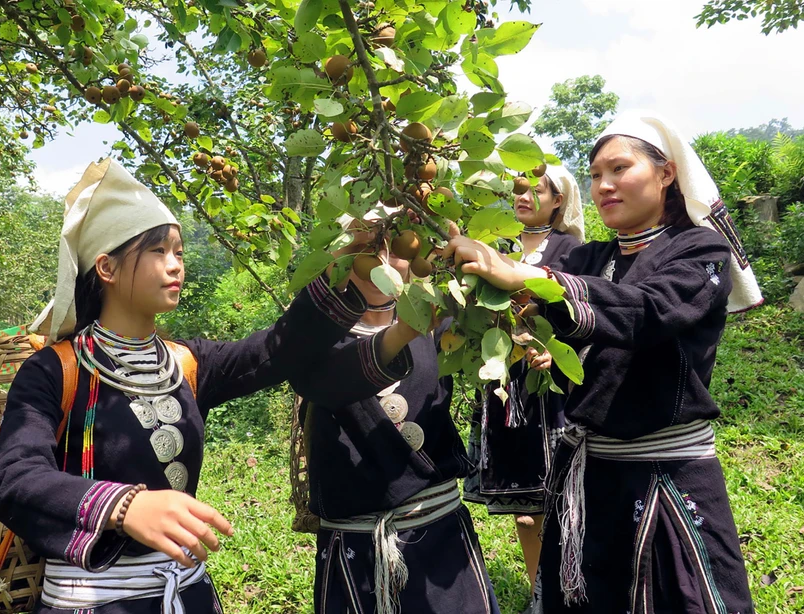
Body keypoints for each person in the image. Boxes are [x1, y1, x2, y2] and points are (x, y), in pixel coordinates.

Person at [0, 158, 375, 613]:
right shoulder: (54, 370)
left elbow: (276, 349)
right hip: (91, 603)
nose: (176, 266)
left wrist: (347, 268)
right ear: (107, 268)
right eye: (158, 252)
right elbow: (16, 479)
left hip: (189, 595)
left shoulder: (187, 362)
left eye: (180, 252)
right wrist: (124, 506)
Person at [443, 110, 760, 613]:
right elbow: (542, 293)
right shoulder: (589, 258)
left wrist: (524, 277)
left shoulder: (700, 250)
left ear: (666, 173)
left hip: (669, 473)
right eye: (594, 175)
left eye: (619, 169)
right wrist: (468, 255)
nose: (604, 185)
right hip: (592, 473)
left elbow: (648, 311)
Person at [290, 207, 501, 614]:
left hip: (442, 543)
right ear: (334, 256)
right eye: (364, 246)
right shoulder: (310, 338)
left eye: (397, 245)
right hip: (357, 555)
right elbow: (328, 382)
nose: (383, 262)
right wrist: (406, 329)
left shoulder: (446, 328)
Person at [463, 165, 584, 600]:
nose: (525, 196)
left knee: (563, 502)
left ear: (558, 200)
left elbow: (579, 316)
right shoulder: (497, 247)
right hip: (505, 387)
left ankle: (574, 586)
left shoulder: (572, 250)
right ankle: (541, 597)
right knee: (526, 511)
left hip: (552, 389)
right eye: (519, 189)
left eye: (538, 190)